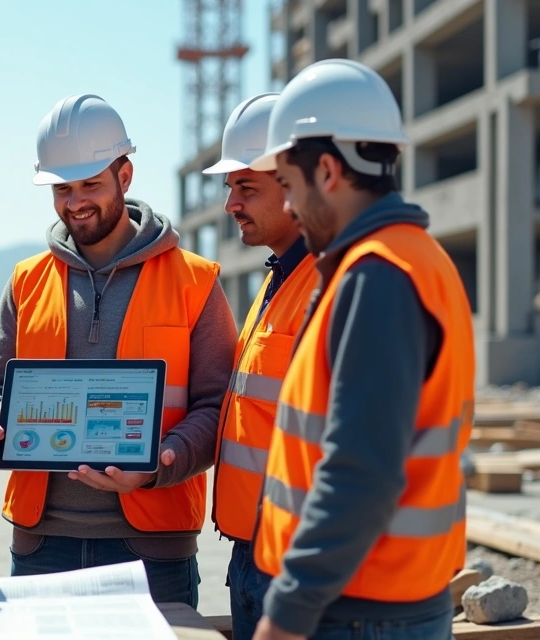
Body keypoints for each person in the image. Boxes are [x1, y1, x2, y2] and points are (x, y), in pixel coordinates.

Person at [0, 94, 237, 607]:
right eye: (62, 188)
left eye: (90, 184)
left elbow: (215, 407)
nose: (75, 202)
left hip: (152, 551)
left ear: (126, 175)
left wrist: (159, 463)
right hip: (40, 547)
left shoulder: (194, 282)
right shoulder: (27, 280)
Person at [244, 59, 475, 640]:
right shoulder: (417, 260)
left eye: (290, 187)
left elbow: (360, 472)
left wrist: (288, 613)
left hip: (357, 608)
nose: (289, 208)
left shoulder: (378, 278)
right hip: (382, 598)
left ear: (327, 171)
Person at [202, 93, 319, 640]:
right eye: (230, 189)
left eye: (247, 187)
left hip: (296, 563)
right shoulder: (276, 282)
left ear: (294, 185)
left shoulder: (324, 286)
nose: (232, 204)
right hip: (251, 553)